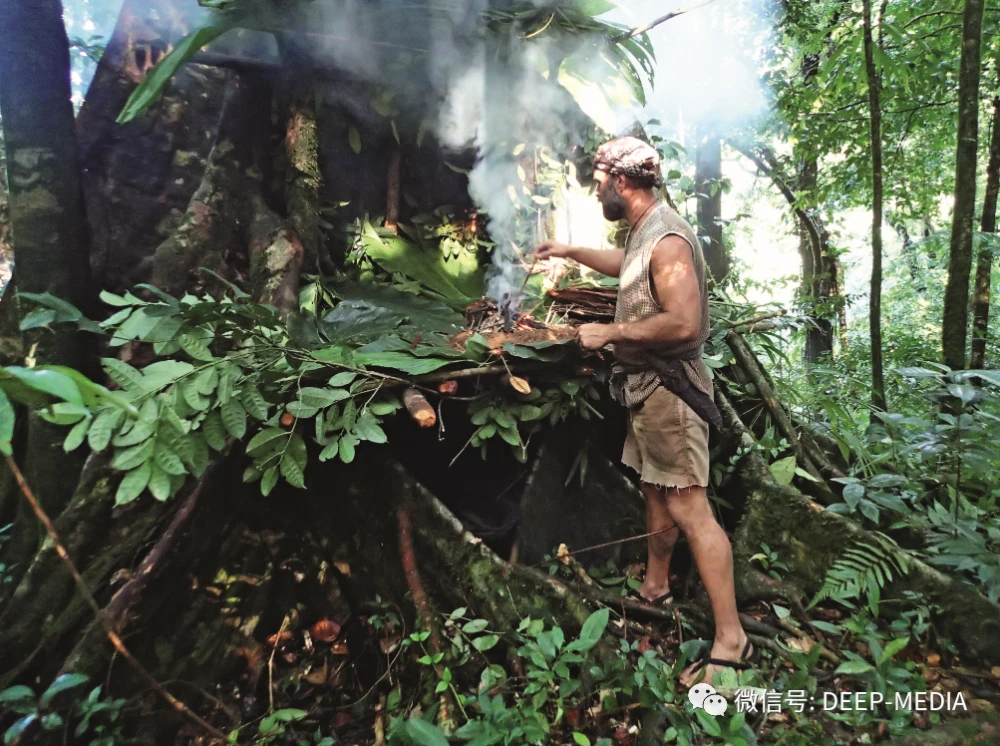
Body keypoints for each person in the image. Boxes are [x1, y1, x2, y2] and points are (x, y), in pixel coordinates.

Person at [534, 137, 753, 686]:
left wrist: (611, 330)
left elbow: (682, 321)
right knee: (656, 490)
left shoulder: (669, 237)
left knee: (689, 507)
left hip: (671, 393)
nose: (596, 188)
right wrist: (568, 250)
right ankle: (656, 585)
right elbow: (628, 267)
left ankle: (732, 639)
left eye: (600, 179)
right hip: (647, 392)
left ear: (621, 182)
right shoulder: (645, 230)